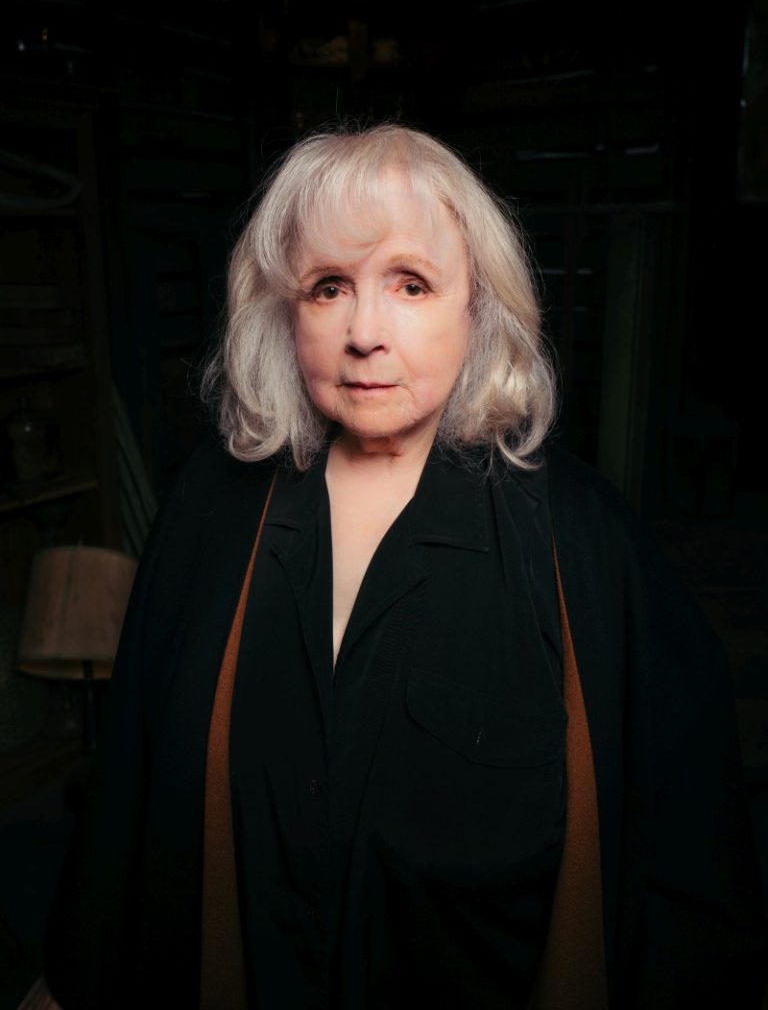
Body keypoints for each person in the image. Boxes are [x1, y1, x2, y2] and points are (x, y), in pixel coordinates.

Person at [20, 122, 767, 1009]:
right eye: (329, 287)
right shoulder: (209, 513)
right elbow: (127, 806)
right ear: (285, 313)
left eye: (410, 284)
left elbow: (688, 870)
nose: (365, 332)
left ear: (478, 308)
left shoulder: (586, 538)